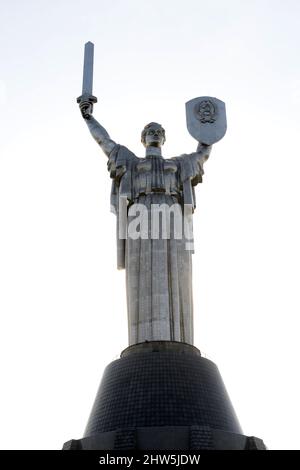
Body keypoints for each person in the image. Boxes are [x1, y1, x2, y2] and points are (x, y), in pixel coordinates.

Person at [79, 100, 212, 345]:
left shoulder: (178, 163)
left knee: (176, 271)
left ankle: (177, 339)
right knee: (142, 272)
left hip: (172, 215)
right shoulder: (131, 162)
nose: (155, 133)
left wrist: (208, 133)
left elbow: (201, 154)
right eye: (150, 131)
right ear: (143, 138)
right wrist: (89, 119)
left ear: (164, 138)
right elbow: (105, 142)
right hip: (140, 214)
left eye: (159, 131)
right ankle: (143, 340)